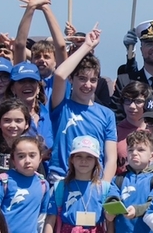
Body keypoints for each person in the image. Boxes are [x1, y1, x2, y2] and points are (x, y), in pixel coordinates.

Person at [48, 26, 117, 182]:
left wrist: (103, 187)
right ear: (71, 79)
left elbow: (111, 159)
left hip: (93, 182)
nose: (87, 85)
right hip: (61, 180)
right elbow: (59, 74)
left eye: (93, 80)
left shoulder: (107, 115)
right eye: (82, 79)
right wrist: (87, 46)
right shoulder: (61, 107)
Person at [41, 136, 110, 233]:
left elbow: (110, 223)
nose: (83, 161)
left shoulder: (104, 188)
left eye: (89, 157)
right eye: (78, 156)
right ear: (71, 159)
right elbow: (50, 219)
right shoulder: (61, 187)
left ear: (96, 161)